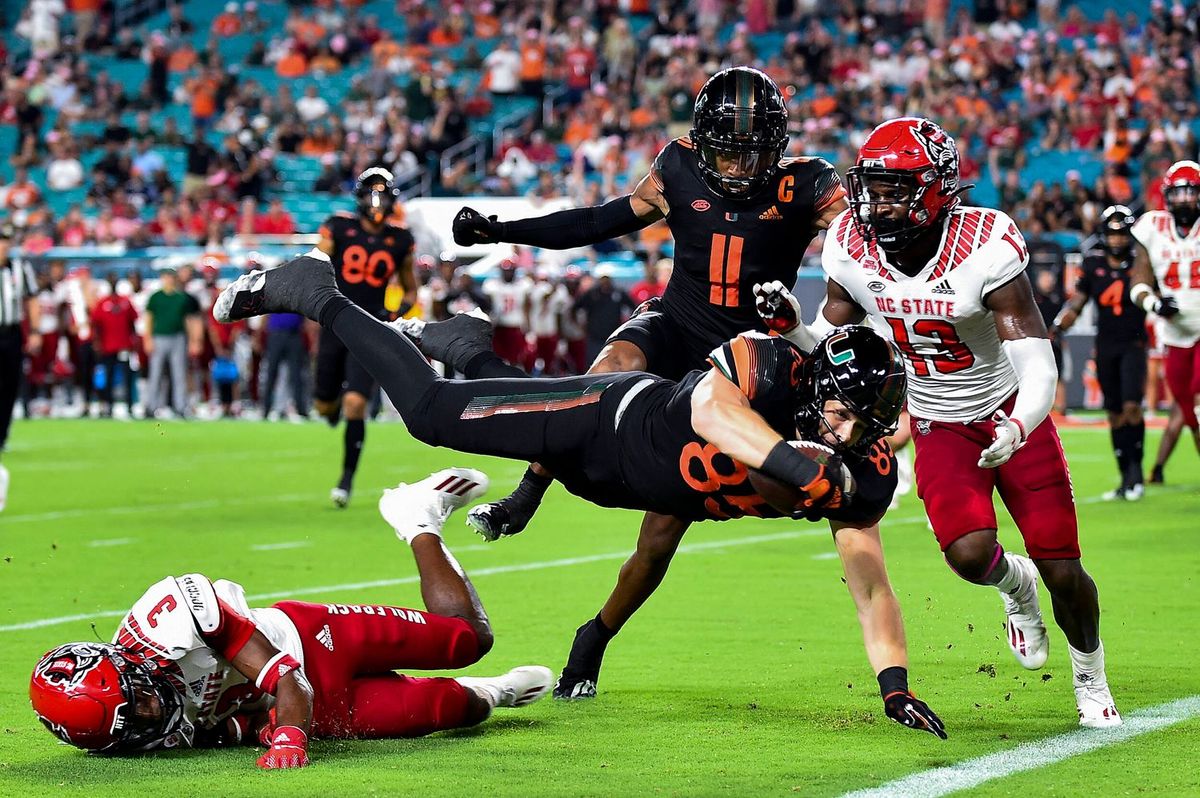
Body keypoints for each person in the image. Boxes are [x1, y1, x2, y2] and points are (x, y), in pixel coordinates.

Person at [212, 251, 946, 739]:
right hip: (607, 421)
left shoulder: (858, 466)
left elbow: (871, 585)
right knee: (434, 415)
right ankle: (314, 292)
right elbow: (710, 414)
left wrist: (894, 686)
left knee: (629, 511)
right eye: (846, 415)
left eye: (867, 425)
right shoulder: (772, 367)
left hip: (629, 486)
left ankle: (463, 340)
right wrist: (795, 463)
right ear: (815, 389)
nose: (852, 434)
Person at [448, 66, 848, 698]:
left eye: (751, 154)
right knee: (603, 377)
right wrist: (502, 230)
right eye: (725, 151)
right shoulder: (677, 165)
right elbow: (594, 222)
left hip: (742, 358)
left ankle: (595, 636)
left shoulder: (810, 184)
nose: (738, 167)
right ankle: (528, 491)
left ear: (777, 147)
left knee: (662, 530)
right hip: (673, 324)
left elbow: (864, 245)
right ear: (701, 141)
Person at [757, 117, 1120, 729]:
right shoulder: (851, 241)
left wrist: (1023, 422)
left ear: (933, 190)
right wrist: (794, 325)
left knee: (1063, 564)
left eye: (895, 188)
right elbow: (835, 340)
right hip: (937, 420)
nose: (877, 203)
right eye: (872, 187)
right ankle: (1015, 588)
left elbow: (1037, 358)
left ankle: (1091, 679)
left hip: (1009, 409)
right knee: (969, 554)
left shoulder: (984, 244)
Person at [29, 468, 554, 767]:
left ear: (125, 665)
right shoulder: (140, 732)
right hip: (311, 706)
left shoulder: (169, 623)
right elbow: (227, 727)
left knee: (466, 641)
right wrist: (257, 728)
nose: (148, 712)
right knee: (451, 708)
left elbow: (287, 679)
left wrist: (288, 737)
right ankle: (499, 691)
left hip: (313, 641)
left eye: (137, 699)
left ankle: (418, 514)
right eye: (132, 722)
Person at [313, 167, 416, 507]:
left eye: (382, 196)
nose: (376, 203)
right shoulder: (339, 226)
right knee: (324, 404)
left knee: (355, 404)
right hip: (333, 321)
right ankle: (330, 411)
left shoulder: (401, 239)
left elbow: (410, 289)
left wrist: (395, 315)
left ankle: (345, 480)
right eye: (372, 195)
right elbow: (315, 263)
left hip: (369, 326)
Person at [1053, 206, 1148, 500]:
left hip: (1134, 343)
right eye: (1112, 234)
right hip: (1106, 344)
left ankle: (1136, 474)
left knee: (1132, 407)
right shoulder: (1093, 264)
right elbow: (1078, 301)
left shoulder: (1140, 262)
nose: (1117, 240)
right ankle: (1124, 479)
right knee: (1115, 412)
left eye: (1122, 234)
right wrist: (1058, 323)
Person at [1128, 160, 1200, 470]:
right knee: (1186, 409)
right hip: (1174, 334)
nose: (1184, 199)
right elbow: (1139, 283)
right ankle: (1159, 469)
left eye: (1190, 192)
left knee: (1198, 408)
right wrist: (1155, 305)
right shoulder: (1151, 228)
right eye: (1178, 192)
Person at [0, 233, 41, 510]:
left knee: (9, 386)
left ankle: (2, 435)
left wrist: (35, 330)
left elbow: (32, 300)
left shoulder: (19, 269)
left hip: (11, 332)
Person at [143, 269, 196, 419]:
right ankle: (151, 406)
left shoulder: (180, 297)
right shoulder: (155, 297)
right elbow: (149, 318)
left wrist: (192, 340)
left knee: (179, 373)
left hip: (178, 337)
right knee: (156, 373)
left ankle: (180, 406)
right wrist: (147, 339)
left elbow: (188, 320)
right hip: (159, 336)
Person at [90, 270, 140, 418]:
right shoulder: (102, 302)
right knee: (109, 377)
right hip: (107, 347)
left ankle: (130, 406)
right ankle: (108, 406)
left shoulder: (125, 301)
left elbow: (133, 321)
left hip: (124, 346)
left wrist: (133, 341)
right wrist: (97, 343)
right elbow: (96, 324)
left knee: (127, 377)